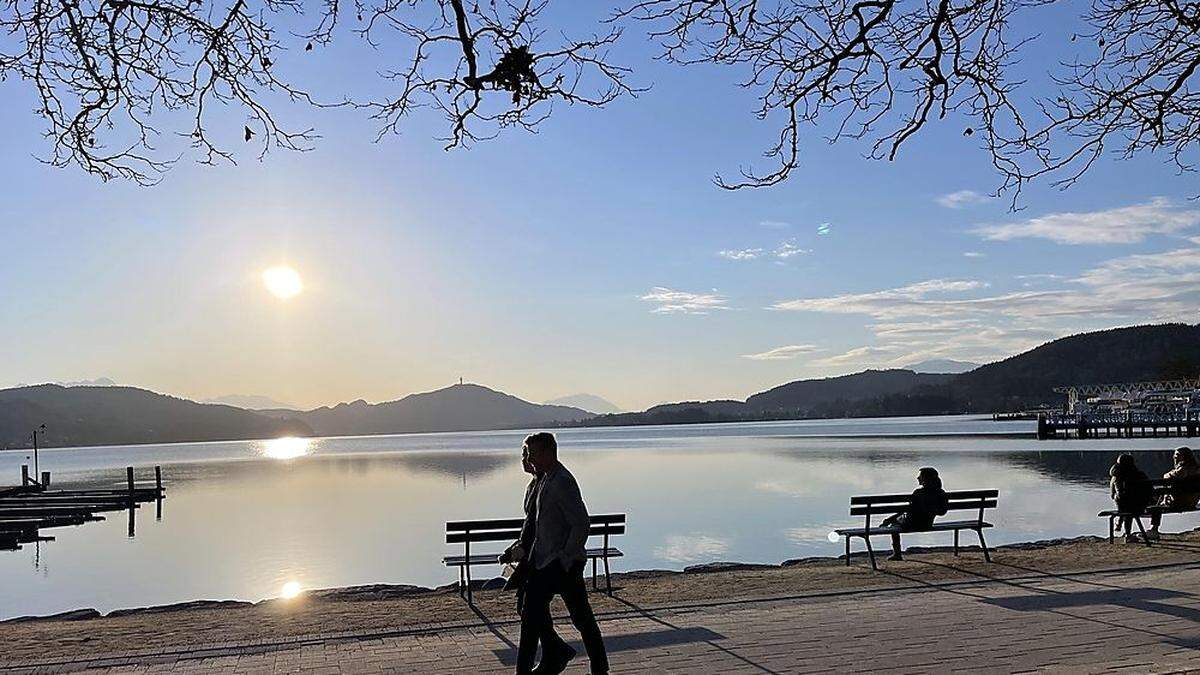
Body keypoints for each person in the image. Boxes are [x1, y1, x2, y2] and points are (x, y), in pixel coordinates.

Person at [501, 432, 608, 675]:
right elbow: (535, 525)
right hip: (544, 564)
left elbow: (581, 523)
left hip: (562, 565)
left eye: (533, 453)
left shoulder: (562, 481)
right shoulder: (545, 480)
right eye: (528, 454)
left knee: (582, 619)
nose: (529, 459)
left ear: (548, 453)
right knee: (531, 614)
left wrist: (566, 558)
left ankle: (597, 668)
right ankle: (546, 659)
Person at [881, 467, 949, 561]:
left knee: (894, 525)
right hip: (927, 524)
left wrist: (889, 519)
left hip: (911, 524)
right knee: (896, 520)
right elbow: (942, 512)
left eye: (920, 476)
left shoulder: (918, 493)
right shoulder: (941, 492)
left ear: (926, 478)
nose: (918, 478)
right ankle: (889, 523)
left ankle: (897, 554)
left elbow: (908, 510)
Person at [1147, 447, 1200, 540]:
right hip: (1193, 501)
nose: (1174, 457)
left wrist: (1167, 474)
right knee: (1162, 495)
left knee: (1156, 508)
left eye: (1177, 455)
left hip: (1180, 502)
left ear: (1184, 457)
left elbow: (1167, 476)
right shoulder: (1197, 469)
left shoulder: (1183, 470)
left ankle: (1154, 530)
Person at [1110, 453, 1153, 542]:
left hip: (1125, 507)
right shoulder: (1140, 474)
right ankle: (1124, 529)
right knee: (1129, 505)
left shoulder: (1117, 477)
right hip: (1141, 506)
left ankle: (1126, 532)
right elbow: (1150, 490)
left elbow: (1115, 495)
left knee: (1125, 506)